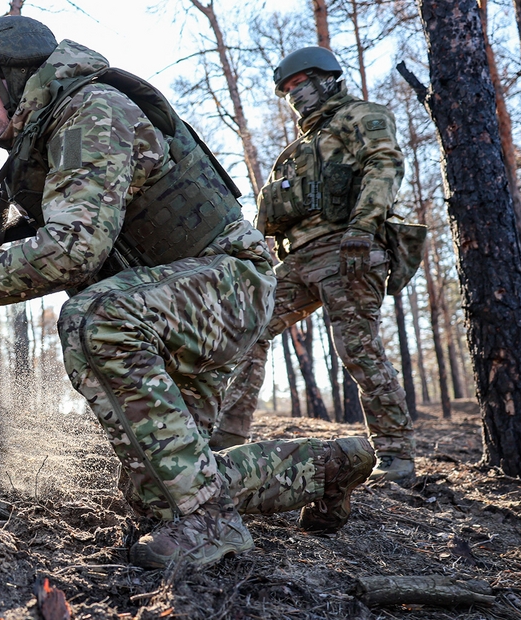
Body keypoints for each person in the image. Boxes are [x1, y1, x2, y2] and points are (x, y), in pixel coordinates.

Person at [0, 16, 375, 568]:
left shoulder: (90, 110)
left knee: (93, 318)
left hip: (228, 284)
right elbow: (77, 249)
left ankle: (211, 524)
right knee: (161, 491)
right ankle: (337, 465)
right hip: (179, 302)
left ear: (14, 76)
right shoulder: (49, 143)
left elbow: (73, 248)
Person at [210, 46, 415, 484]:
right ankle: (224, 439)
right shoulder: (296, 150)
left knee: (357, 347)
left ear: (327, 78)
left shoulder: (358, 116)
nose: (293, 95)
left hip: (348, 249)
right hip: (297, 259)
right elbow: (267, 216)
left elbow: (384, 164)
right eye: (286, 90)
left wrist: (363, 228)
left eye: (299, 84)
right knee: (249, 329)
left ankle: (396, 458)